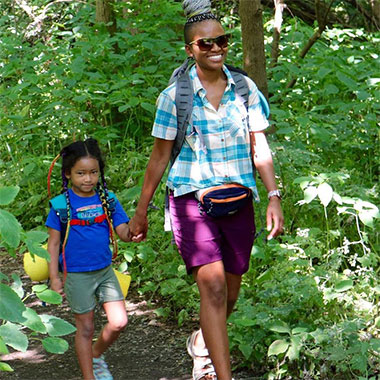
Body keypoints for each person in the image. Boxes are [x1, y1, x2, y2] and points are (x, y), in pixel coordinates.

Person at [129, 0, 284, 379]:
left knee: (230, 292)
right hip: (190, 199)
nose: (216, 49)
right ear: (190, 50)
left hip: (238, 199)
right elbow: (159, 158)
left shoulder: (244, 89)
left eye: (222, 41)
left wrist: (274, 195)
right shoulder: (174, 97)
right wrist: (142, 209)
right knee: (212, 288)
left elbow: (259, 147)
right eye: (206, 44)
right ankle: (219, 373)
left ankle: (201, 342)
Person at [46, 138, 141, 380]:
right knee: (86, 327)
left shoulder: (107, 199)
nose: (88, 179)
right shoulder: (60, 206)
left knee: (119, 321)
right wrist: (54, 278)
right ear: (68, 174)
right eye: (80, 173)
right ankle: (89, 376)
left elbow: (121, 229)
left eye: (93, 172)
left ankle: (96, 354)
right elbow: (54, 243)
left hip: (104, 271)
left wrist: (133, 232)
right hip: (76, 274)